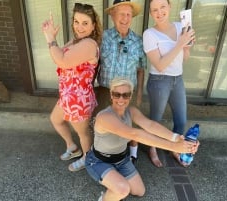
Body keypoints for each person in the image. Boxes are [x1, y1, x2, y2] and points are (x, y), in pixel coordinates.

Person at [85, 77, 199, 201]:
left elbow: (150, 125)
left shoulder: (131, 111)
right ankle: (104, 198)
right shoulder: (105, 117)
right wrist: (173, 147)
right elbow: (134, 134)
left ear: (131, 95)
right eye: (117, 94)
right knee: (123, 190)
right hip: (99, 161)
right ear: (111, 95)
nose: (121, 99)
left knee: (139, 191)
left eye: (125, 95)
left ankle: (115, 182)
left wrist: (177, 139)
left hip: (121, 159)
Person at [41, 3, 102, 171]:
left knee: (83, 134)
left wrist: (50, 39)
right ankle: (72, 148)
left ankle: (86, 158)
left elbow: (63, 60)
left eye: (85, 23)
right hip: (68, 96)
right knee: (56, 120)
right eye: (76, 21)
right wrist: (51, 39)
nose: (79, 27)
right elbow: (58, 53)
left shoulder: (89, 44)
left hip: (79, 99)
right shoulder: (75, 41)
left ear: (93, 26)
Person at [143, 0, 196, 167]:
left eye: (162, 7)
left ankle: (175, 148)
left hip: (177, 79)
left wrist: (187, 46)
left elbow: (184, 59)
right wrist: (180, 43)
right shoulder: (149, 34)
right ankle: (152, 149)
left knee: (181, 119)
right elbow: (159, 65)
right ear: (151, 13)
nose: (159, 13)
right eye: (155, 10)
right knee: (155, 120)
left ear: (169, 6)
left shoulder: (181, 27)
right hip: (159, 81)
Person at [94, 0, 147, 164]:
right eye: (121, 14)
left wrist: (138, 94)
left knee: (131, 125)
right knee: (102, 124)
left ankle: (132, 153)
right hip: (105, 90)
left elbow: (141, 69)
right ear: (113, 15)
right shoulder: (103, 38)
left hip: (128, 93)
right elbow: (95, 64)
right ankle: (101, 153)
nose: (125, 18)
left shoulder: (138, 41)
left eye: (128, 14)